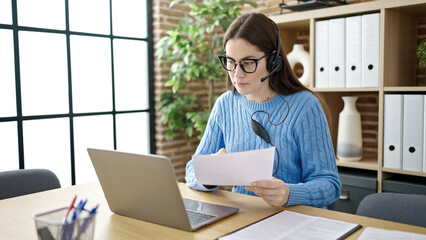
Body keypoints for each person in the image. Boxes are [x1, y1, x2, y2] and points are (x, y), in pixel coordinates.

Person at [185, 13, 341, 208]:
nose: (237, 73)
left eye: (248, 63)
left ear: (273, 60)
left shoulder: (305, 106)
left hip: (296, 222)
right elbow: (192, 170)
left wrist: (288, 194)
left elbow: (330, 185)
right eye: (230, 61)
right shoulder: (225, 105)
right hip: (243, 219)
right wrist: (209, 174)